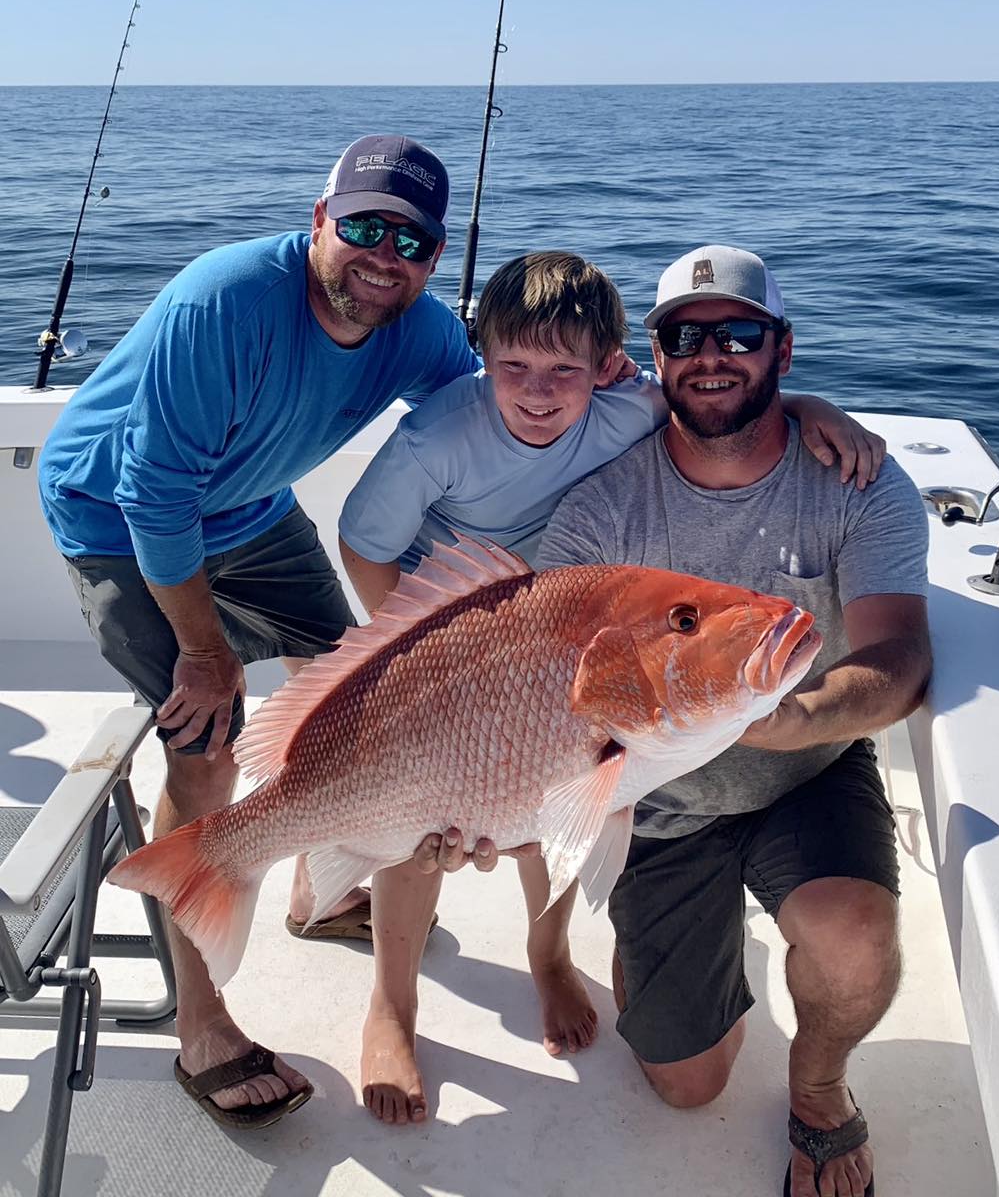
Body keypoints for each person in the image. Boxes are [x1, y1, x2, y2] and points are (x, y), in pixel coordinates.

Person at [338, 248, 890, 1127]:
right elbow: (364, 544)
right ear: (480, 356)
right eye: (511, 366)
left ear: (607, 369)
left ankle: (549, 955)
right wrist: (408, 659)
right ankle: (391, 1007)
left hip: (571, 617)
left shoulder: (629, 406)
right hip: (448, 619)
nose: (539, 389)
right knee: (421, 827)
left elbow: (730, 401)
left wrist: (814, 405)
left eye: (566, 369)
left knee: (561, 802)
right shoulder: (434, 439)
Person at [37, 135, 480, 1129]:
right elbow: (153, 499)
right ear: (317, 220)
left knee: (357, 698)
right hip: (116, 519)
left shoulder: (419, 332)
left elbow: (493, 417)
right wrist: (206, 653)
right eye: (362, 225)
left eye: (409, 240)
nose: (382, 254)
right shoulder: (223, 300)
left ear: (432, 258)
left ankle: (314, 895)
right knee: (207, 746)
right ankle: (201, 1021)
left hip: (251, 510)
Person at [532, 245, 932, 1197]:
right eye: (685, 337)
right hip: (658, 795)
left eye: (739, 334)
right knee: (687, 1087)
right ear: (658, 358)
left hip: (807, 772)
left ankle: (822, 1094)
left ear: (783, 351)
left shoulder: (859, 483)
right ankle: (674, 946)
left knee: (853, 936)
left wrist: (794, 721)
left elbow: (898, 656)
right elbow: (553, 690)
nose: (712, 356)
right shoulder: (599, 512)